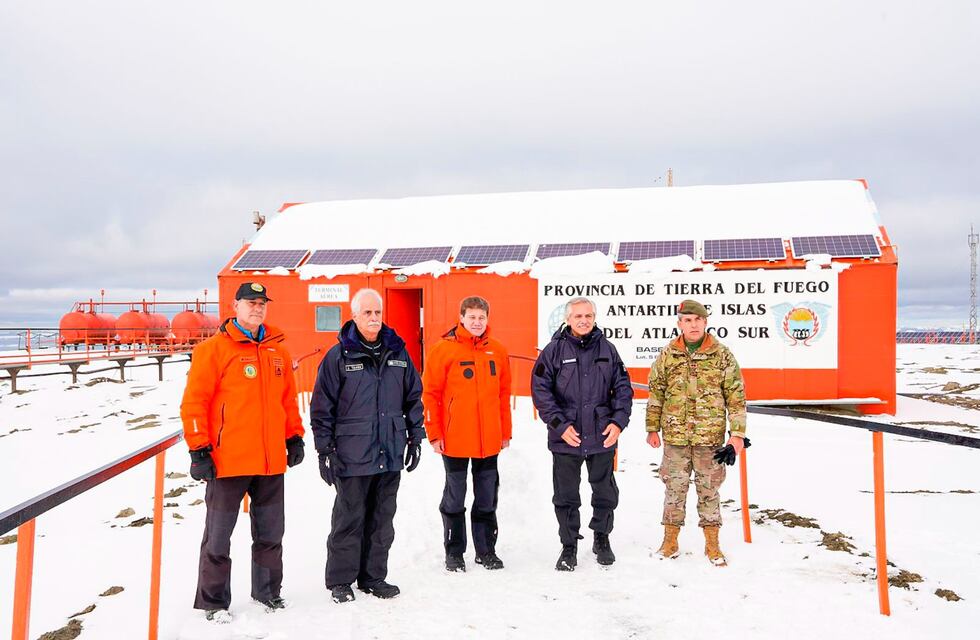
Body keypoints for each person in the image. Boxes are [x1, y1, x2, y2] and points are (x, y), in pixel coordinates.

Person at [180, 282, 306, 624]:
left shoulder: (277, 351)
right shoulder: (213, 350)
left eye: (262, 303)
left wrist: (294, 436)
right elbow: (195, 402)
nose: (257, 308)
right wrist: (198, 448)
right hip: (227, 461)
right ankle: (213, 602)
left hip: (269, 461)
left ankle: (268, 592)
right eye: (250, 302)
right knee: (218, 537)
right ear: (235, 306)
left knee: (270, 534)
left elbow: (287, 400)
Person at [310, 288, 425, 603]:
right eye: (367, 313)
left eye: (377, 312)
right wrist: (325, 451)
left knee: (382, 520)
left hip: (389, 452)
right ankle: (341, 581)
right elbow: (322, 408)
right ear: (355, 315)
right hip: (351, 454)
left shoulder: (398, 353)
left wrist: (416, 436)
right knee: (349, 519)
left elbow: (413, 397)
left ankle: (373, 577)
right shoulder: (338, 357)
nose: (374, 318)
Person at [531, 296, 633, 571]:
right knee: (565, 496)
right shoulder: (553, 351)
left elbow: (623, 389)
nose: (584, 320)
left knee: (605, 492)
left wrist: (618, 423)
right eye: (578, 316)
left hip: (602, 436)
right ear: (568, 320)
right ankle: (569, 545)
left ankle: (602, 538)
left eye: (588, 315)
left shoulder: (608, 350)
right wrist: (560, 426)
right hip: (567, 437)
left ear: (594, 318)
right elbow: (541, 393)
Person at [645, 299, 747, 567]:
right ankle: (670, 541)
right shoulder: (668, 355)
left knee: (709, 490)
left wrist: (736, 433)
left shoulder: (722, 355)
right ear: (679, 324)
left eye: (697, 320)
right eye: (687, 320)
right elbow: (656, 392)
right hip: (675, 438)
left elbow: (735, 396)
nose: (693, 324)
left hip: (709, 439)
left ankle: (712, 544)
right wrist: (652, 427)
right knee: (674, 489)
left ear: (705, 322)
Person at [422, 296, 513, 572]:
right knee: (455, 497)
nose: (476, 322)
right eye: (471, 317)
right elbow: (430, 394)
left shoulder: (497, 350)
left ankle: (486, 551)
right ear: (461, 318)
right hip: (455, 439)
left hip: (489, 441)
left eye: (481, 317)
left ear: (488, 319)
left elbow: (503, 394)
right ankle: (454, 552)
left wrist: (504, 431)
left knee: (486, 497)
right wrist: (434, 432)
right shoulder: (443, 350)